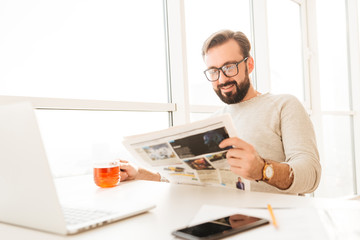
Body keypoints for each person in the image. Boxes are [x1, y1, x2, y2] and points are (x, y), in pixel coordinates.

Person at [119, 29, 321, 195]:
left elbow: (311, 175)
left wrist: (262, 170)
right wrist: (139, 173)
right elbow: (187, 178)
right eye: (214, 71)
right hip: (224, 219)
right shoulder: (214, 122)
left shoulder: (284, 105)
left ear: (249, 65)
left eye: (229, 67)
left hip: (275, 221)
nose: (222, 79)